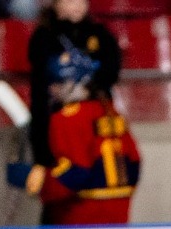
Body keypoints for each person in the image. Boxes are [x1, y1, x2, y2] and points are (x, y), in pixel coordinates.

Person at [14, 44, 140, 226]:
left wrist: (36, 179)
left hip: (81, 216)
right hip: (120, 212)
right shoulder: (111, 112)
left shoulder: (67, 118)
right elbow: (135, 163)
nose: (52, 89)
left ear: (76, 83)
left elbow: (75, 173)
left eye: (58, 82)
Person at [27, 0, 119, 184]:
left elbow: (111, 69)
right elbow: (39, 89)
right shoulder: (43, 36)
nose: (76, 5)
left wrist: (88, 89)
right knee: (60, 187)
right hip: (56, 124)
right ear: (55, 4)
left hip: (93, 122)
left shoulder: (100, 34)